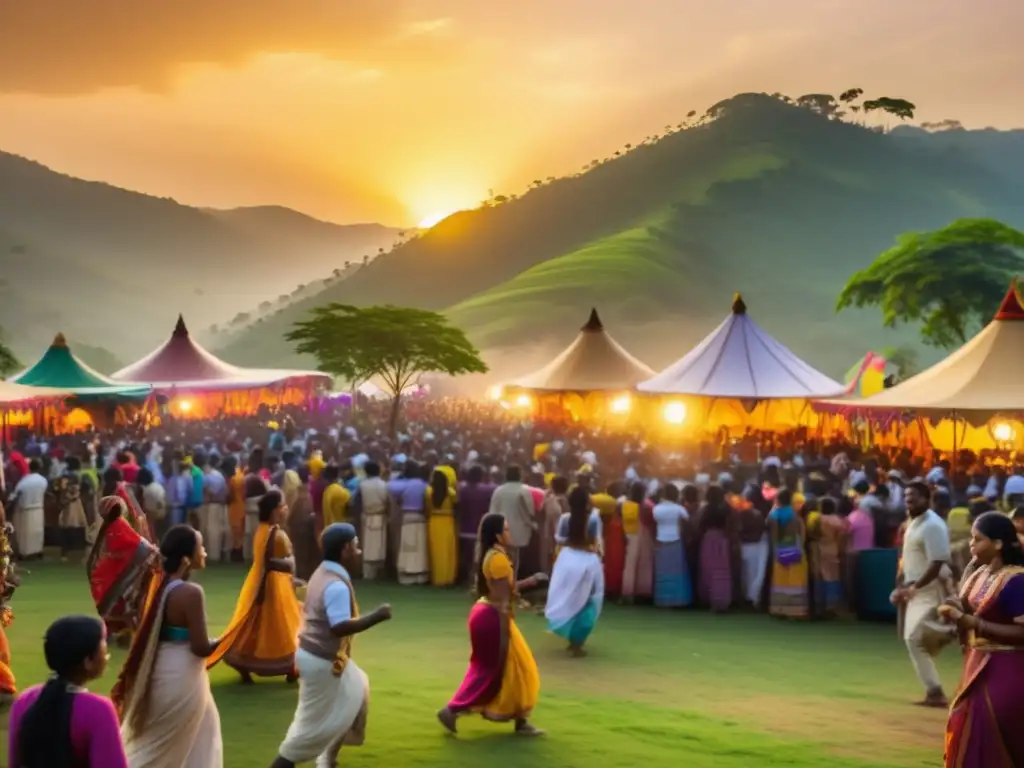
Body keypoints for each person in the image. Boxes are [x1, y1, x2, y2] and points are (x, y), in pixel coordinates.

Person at [269, 523, 392, 768]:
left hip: (317, 657)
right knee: (303, 734)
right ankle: (304, 759)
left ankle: (327, 758)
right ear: (345, 548)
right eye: (356, 545)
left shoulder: (323, 572)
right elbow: (339, 627)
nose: (358, 551)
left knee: (357, 690)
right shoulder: (335, 584)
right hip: (320, 661)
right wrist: (376, 616)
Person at [113, 525, 223, 766]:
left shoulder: (154, 588)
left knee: (203, 733)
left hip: (160, 668)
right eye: (200, 547)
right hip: (181, 675)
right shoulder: (190, 593)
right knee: (157, 751)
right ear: (186, 559)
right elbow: (201, 647)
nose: (204, 553)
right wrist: (227, 641)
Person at [438, 512, 545, 736]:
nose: (509, 533)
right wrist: (506, 629)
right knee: (495, 671)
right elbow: (505, 597)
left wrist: (530, 583)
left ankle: (520, 721)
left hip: (487, 613)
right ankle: (452, 709)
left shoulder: (494, 555)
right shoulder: (497, 558)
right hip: (494, 617)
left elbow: (505, 589)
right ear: (497, 535)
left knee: (512, 669)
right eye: (506, 529)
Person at [941, 511, 1024, 767]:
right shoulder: (978, 574)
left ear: (998, 544)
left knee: (988, 727)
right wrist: (953, 609)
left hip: (1007, 668)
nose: (971, 543)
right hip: (976, 665)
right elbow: (966, 607)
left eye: (978, 539)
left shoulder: (1016, 580)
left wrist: (975, 624)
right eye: (971, 538)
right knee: (965, 724)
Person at [208, 489, 301, 683]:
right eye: (282, 506)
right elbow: (271, 562)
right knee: (280, 628)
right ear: (275, 510)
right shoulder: (273, 533)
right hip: (272, 586)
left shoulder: (263, 530)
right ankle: (289, 667)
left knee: (256, 626)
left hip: (266, 582)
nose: (285, 510)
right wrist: (290, 564)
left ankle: (251, 666)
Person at [8, 615, 127, 767]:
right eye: (104, 650)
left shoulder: (25, 700)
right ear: (88, 662)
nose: (107, 656)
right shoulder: (98, 710)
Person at [892, 480, 956, 707]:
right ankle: (934, 691)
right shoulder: (914, 522)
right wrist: (901, 586)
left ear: (926, 499)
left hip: (928, 588)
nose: (909, 502)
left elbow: (937, 563)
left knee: (913, 638)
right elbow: (908, 558)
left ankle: (952, 629)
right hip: (915, 587)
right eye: (907, 498)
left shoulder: (932, 525)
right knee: (913, 639)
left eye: (914, 498)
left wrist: (914, 587)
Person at [87, 495, 161, 645]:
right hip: (127, 567)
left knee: (116, 600)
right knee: (118, 601)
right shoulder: (117, 525)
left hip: (130, 567)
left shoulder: (117, 525)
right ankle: (122, 631)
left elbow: (133, 547)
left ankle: (120, 632)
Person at [545, 487, 605, 656]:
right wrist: (599, 555)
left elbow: (560, 540)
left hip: (567, 560)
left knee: (569, 597)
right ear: (587, 502)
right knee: (588, 600)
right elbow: (596, 542)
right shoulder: (593, 520)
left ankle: (572, 640)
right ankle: (577, 642)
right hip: (587, 561)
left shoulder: (565, 519)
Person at [488, 465, 537, 580]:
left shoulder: (498, 491)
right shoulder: (524, 491)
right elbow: (530, 511)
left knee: (501, 558)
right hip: (518, 530)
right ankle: (511, 584)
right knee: (514, 561)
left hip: (500, 529)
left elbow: (492, 511)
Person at [767, 488, 809, 619]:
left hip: (781, 549)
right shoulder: (794, 514)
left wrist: (775, 553)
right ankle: (797, 611)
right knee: (795, 581)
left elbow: (774, 537)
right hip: (795, 548)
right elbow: (802, 533)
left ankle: (780, 609)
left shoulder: (774, 515)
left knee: (781, 581)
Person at [389, 460, 430, 585]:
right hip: (421, 516)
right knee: (420, 548)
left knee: (407, 547)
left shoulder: (404, 484)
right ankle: (421, 575)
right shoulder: (424, 485)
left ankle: (406, 574)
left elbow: (390, 487)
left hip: (407, 516)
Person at [651, 484, 692, 608]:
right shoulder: (679, 508)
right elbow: (687, 521)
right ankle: (677, 600)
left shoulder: (656, 508)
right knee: (676, 572)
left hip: (660, 541)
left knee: (662, 572)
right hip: (675, 540)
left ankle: (662, 599)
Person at [698, 485, 734, 612]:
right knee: (722, 571)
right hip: (722, 539)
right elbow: (731, 525)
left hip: (708, 539)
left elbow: (700, 525)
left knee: (708, 570)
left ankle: (709, 599)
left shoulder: (705, 509)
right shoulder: (726, 509)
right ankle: (722, 601)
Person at [811, 496, 849, 617]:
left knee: (819, 575)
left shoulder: (817, 519)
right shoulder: (837, 520)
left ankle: (818, 605)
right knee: (833, 577)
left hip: (818, 548)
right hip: (832, 548)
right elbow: (844, 534)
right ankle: (832, 605)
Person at [620, 481, 655, 603]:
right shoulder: (648, 506)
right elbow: (651, 520)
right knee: (645, 563)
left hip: (630, 533)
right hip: (645, 533)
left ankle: (627, 592)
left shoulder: (625, 505)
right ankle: (644, 592)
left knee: (630, 564)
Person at [427, 469, 459, 586]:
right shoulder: (451, 492)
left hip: (434, 521)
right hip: (448, 521)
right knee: (448, 550)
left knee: (436, 551)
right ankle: (448, 578)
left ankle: (437, 578)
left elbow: (426, 507)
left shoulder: (428, 492)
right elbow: (457, 504)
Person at [358, 461, 389, 580]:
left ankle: (368, 574)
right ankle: (379, 573)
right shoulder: (383, 484)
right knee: (380, 545)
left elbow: (358, 502)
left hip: (367, 516)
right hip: (381, 516)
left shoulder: (362, 485)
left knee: (367, 545)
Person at [11, 458, 47, 559]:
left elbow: (16, 495)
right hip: (39, 509)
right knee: (38, 532)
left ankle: (24, 553)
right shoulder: (43, 480)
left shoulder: (24, 481)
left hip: (25, 510)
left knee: (25, 534)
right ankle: (38, 551)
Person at [200, 455, 229, 563]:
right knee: (219, 531)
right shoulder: (219, 475)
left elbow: (211, 492)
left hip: (213, 506)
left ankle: (212, 556)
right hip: (221, 505)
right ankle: (218, 555)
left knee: (212, 531)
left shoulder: (208, 476)